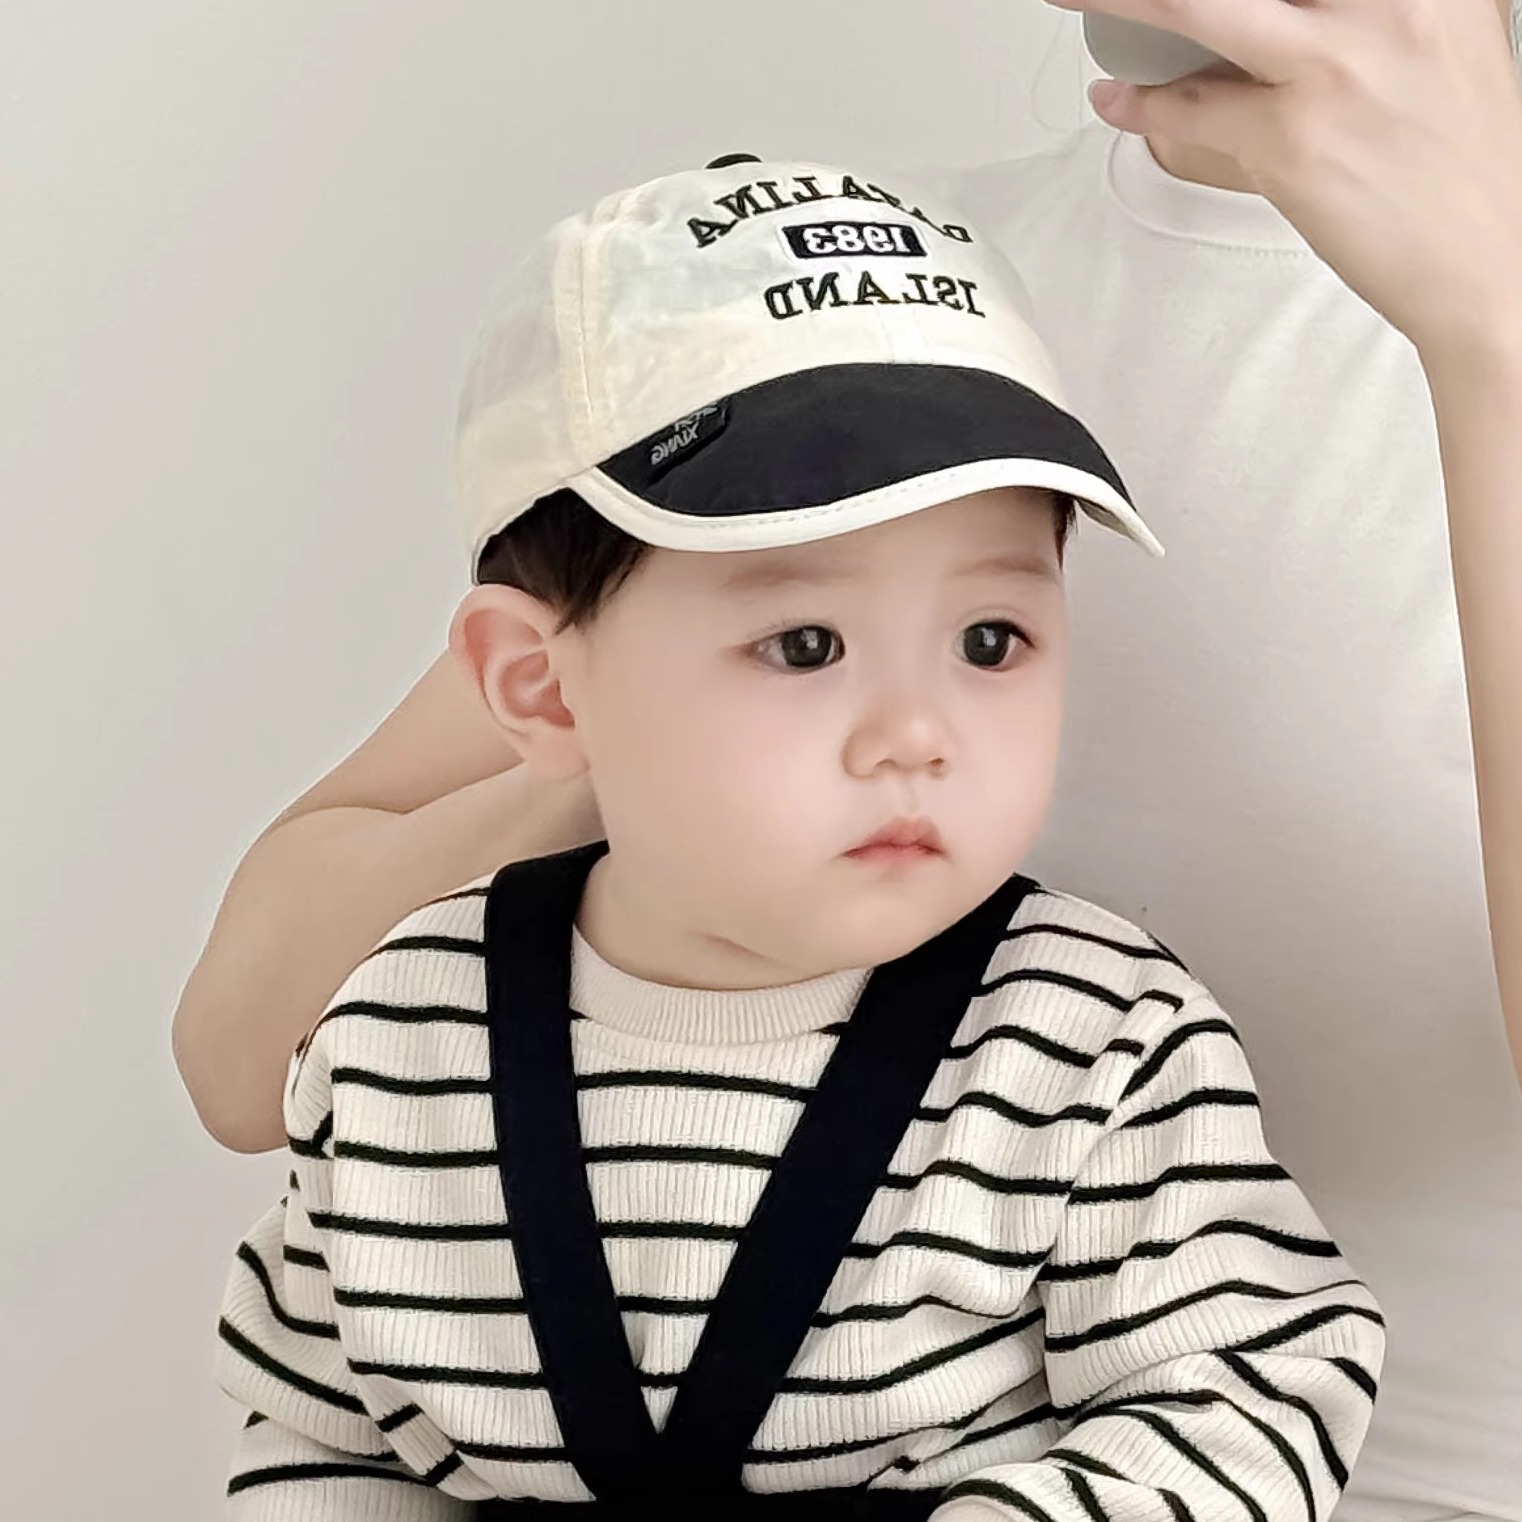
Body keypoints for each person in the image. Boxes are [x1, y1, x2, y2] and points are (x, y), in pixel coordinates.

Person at [176, 1, 1522, 1517]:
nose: (919, 727)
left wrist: (1491, 330)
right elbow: (249, 1061)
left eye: (997, 640)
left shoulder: (1101, 1036)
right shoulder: (880, 283)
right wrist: (670, 739)